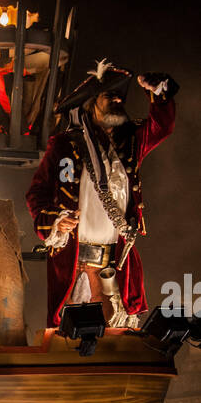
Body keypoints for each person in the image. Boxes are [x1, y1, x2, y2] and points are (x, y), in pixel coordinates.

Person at [26, 61, 178, 328]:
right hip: (76, 261)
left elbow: (160, 128)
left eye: (120, 96)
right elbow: (37, 193)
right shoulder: (64, 145)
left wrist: (160, 93)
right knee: (74, 337)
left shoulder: (129, 142)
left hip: (116, 261)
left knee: (119, 333)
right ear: (90, 103)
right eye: (110, 95)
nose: (118, 99)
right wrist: (55, 220)